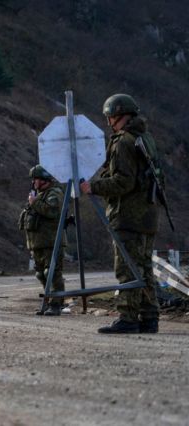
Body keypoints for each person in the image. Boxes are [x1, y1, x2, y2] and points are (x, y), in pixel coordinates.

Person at [80, 94, 161, 334]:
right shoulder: (145, 138)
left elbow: (124, 182)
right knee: (144, 268)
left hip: (128, 215)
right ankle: (149, 317)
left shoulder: (124, 141)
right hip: (148, 214)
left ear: (122, 115)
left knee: (128, 268)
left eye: (111, 117)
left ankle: (128, 318)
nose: (108, 122)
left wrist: (93, 187)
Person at [19, 165, 66, 316]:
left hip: (51, 242)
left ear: (44, 179)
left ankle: (56, 304)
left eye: (36, 179)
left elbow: (52, 211)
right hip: (38, 243)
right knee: (41, 274)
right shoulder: (39, 195)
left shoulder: (54, 193)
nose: (34, 182)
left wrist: (34, 203)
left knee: (52, 273)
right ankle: (48, 301)